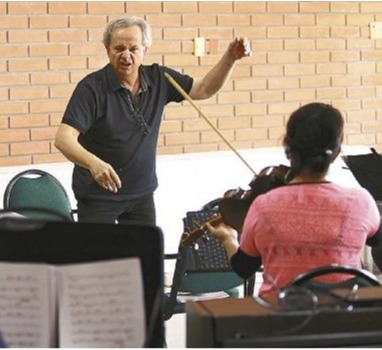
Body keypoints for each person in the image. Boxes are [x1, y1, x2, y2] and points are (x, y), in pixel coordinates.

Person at [54, 16, 252, 225]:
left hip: (141, 196)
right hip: (98, 198)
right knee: (102, 257)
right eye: (119, 48)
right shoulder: (91, 88)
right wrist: (93, 164)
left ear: (145, 50)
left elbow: (204, 89)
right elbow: (63, 139)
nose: (126, 56)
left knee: (144, 256)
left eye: (133, 48)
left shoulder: (160, 78)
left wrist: (230, 58)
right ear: (107, 49)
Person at [207, 102, 382, 296]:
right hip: (343, 317)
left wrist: (228, 238)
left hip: (283, 319)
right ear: (337, 151)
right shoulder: (360, 202)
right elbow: (377, 240)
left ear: (289, 148)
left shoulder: (263, 205)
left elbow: (243, 268)